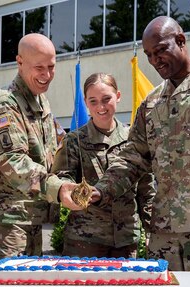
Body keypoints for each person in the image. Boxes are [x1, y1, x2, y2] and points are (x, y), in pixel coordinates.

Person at [61, 16, 190, 271]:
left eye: (160, 50)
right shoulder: (152, 102)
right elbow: (132, 157)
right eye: (149, 55)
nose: (154, 61)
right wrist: (102, 190)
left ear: (181, 41)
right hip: (164, 236)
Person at [0, 33, 65, 268]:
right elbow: (13, 162)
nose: (46, 75)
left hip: (29, 218)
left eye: (51, 67)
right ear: (20, 62)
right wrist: (59, 188)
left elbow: (59, 145)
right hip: (4, 225)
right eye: (39, 67)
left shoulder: (40, 101)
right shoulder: (5, 104)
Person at [48, 73, 155, 258]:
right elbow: (61, 178)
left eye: (107, 99)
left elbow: (146, 190)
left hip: (126, 240)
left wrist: (151, 230)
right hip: (84, 240)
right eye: (94, 101)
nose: (101, 107)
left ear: (118, 96)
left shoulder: (134, 139)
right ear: (86, 102)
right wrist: (72, 191)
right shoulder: (74, 141)